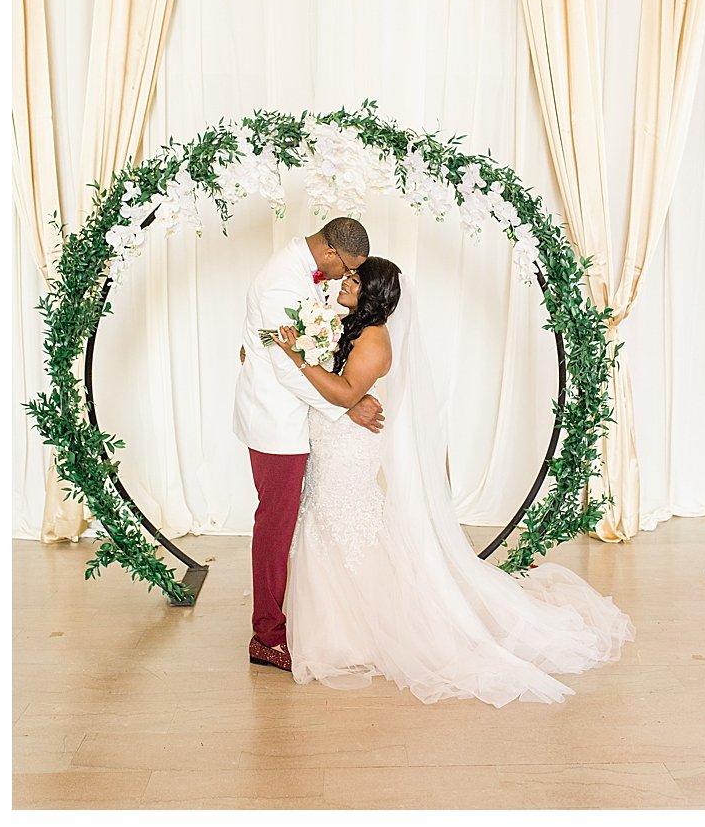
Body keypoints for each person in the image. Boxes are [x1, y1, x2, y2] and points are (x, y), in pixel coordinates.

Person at [268, 256, 633, 705]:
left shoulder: (375, 341)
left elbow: (345, 393)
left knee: (340, 519)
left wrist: (295, 357)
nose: (344, 282)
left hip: (348, 447)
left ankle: (362, 629)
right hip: (331, 439)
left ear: (372, 294)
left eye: (354, 279)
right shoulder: (348, 327)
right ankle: (347, 623)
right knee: (325, 518)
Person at [235, 217, 382, 672]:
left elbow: (289, 343)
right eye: (347, 269)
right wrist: (347, 405)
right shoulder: (283, 281)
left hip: (299, 418)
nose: (343, 279)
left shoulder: (302, 273)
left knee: (292, 523)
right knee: (275, 526)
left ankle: (296, 617)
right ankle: (267, 636)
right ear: (331, 254)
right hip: (276, 423)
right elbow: (285, 367)